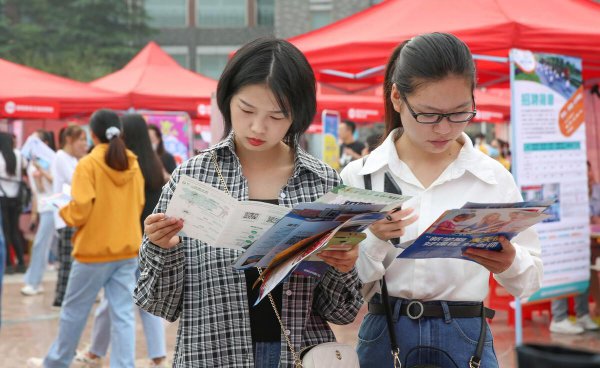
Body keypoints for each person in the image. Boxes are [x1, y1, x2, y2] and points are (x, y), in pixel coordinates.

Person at [134, 38, 363, 368]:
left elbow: (342, 312)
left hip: (298, 356)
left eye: (276, 115)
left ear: (297, 116)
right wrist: (160, 248)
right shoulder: (194, 177)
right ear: (227, 100)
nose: (258, 127)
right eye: (246, 110)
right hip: (212, 355)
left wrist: (343, 267)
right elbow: (159, 304)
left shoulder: (321, 182)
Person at [340, 33, 543, 368]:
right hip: (385, 332)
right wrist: (375, 240)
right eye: (429, 115)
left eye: (460, 113)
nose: (444, 129)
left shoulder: (492, 178)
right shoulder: (361, 177)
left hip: (465, 335)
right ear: (396, 97)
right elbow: (345, 294)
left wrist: (509, 261)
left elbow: (530, 281)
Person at [27, 109, 145, 368]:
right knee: (123, 315)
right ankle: (124, 365)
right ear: (119, 133)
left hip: (93, 251)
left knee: (74, 312)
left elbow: (79, 210)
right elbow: (138, 203)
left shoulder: (88, 165)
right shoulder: (132, 163)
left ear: (92, 134)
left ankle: (57, 362)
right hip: (127, 250)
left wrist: (64, 210)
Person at [74, 113, 168, 368]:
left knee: (116, 304)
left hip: (127, 242)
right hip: (149, 243)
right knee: (139, 301)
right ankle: (157, 354)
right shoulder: (156, 164)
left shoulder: (125, 164)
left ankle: (96, 352)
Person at [549, 161, 600, 334]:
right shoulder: (564, 193)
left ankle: (582, 314)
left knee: (583, 271)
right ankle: (559, 317)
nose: (588, 176)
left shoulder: (594, 191)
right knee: (563, 273)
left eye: (589, 172)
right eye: (584, 173)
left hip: (585, 240)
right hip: (562, 240)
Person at [50, 125, 88, 308]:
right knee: (67, 260)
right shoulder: (60, 157)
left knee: (72, 259)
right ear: (69, 140)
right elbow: (77, 181)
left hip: (75, 215)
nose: (84, 144)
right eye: (81, 139)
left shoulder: (74, 159)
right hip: (65, 215)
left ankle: (69, 297)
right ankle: (62, 299)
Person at [21, 130, 57, 296]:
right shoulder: (31, 164)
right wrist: (34, 214)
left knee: (40, 245)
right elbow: (39, 191)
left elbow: (55, 183)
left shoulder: (53, 160)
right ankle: (34, 280)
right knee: (49, 246)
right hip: (45, 208)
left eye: (35, 140)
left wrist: (41, 171)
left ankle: (33, 282)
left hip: (54, 207)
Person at [0, 131, 27, 274]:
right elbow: (24, 170)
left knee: (5, 231)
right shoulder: (19, 155)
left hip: (2, 197)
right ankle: (21, 262)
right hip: (16, 198)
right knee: (15, 230)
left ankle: (8, 264)